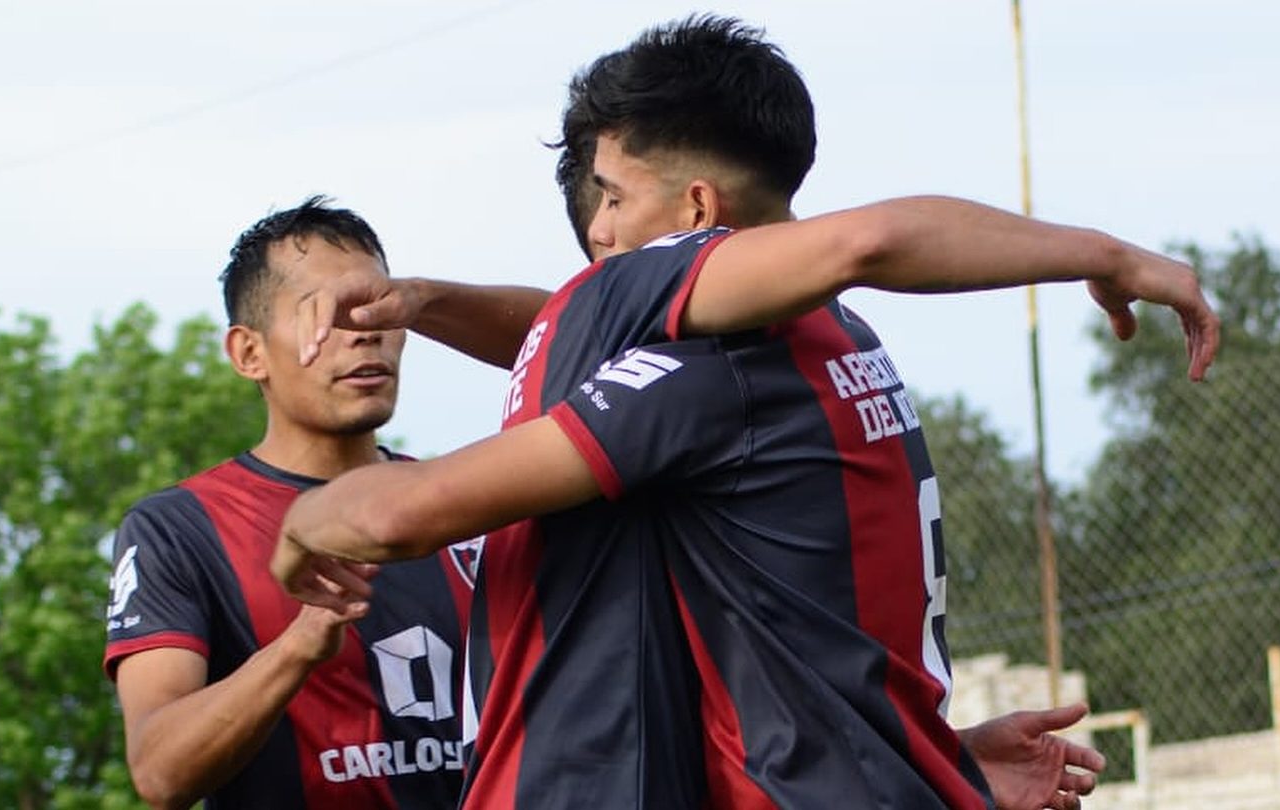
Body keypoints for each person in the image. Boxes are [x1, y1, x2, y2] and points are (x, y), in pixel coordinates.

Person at [274, 17, 1217, 810]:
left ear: (696, 212)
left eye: (611, 197)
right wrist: (943, 758)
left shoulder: (680, 349)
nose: (597, 231)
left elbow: (868, 237)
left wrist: (305, 520)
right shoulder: (833, 343)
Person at [102, 197, 489, 809]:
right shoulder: (177, 528)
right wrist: (298, 645)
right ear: (248, 353)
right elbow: (159, 772)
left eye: (375, 304)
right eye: (324, 313)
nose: (363, 330)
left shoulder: (465, 508)